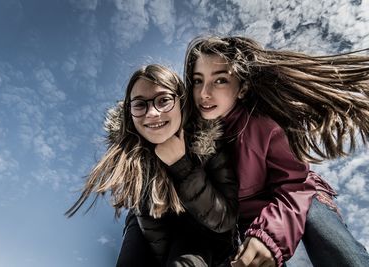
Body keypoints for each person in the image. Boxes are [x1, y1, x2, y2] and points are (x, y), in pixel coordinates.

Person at [182, 35, 369, 267]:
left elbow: (295, 184)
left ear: (242, 88)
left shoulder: (264, 122)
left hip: (298, 196)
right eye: (198, 81)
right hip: (238, 219)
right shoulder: (189, 133)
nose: (204, 93)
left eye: (220, 80)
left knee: (334, 245)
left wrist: (268, 236)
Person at [65, 64, 239, 267]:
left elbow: (225, 219)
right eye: (140, 105)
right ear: (130, 113)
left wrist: (181, 165)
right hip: (149, 235)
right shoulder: (133, 158)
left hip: (205, 236)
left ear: (181, 101)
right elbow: (146, 230)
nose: (152, 113)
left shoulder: (210, 144)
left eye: (163, 100)